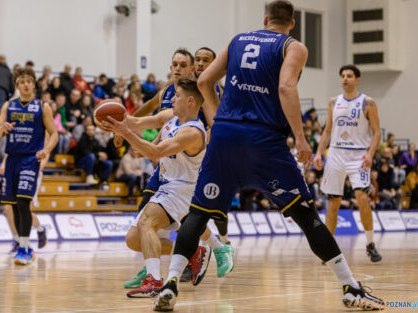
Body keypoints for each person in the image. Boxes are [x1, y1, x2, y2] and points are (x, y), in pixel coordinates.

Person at [153, 1, 384, 311]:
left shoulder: (238, 40)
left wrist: (219, 116)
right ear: (291, 24)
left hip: (225, 136)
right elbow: (287, 86)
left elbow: (204, 80)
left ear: (265, 19)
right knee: (305, 216)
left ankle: (170, 282)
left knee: (198, 213)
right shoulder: (293, 46)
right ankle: (350, 286)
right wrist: (301, 139)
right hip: (264, 140)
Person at [103, 78, 233, 298]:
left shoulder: (192, 132)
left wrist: (125, 133)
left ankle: (154, 281)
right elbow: (135, 122)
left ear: (190, 101)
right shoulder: (170, 117)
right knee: (134, 239)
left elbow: (154, 153)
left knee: (146, 222)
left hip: (184, 189)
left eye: (178, 95)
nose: (172, 98)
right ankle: (195, 250)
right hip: (168, 185)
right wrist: (113, 121)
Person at [313, 64, 382, 262]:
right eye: (342, 75)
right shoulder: (334, 102)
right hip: (335, 154)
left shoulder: (368, 102)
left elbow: (377, 132)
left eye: (349, 76)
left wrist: (370, 154)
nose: (345, 79)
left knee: (362, 198)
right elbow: (327, 131)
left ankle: (370, 244)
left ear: (357, 79)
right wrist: (319, 153)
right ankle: (329, 249)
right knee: (333, 202)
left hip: (359, 156)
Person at [0, 67, 58, 265]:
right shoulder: (8, 106)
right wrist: (0, 129)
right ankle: (26, 247)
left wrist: (46, 150)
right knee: (12, 205)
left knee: (22, 202)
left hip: (30, 159)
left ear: (34, 83)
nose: (26, 84)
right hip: (12, 158)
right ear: (17, 86)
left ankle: (24, 248)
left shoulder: (42, 106)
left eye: (29, 80)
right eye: (22, 82)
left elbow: (54, 133)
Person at [0, 154, 48, 252]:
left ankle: (39, 230)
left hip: (30, 168)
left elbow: (46, 152)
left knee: (23, 206)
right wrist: (4, 163)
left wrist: (38, 167)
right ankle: (17, 240)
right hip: (13, 167)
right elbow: (12, 147)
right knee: (8, 208)